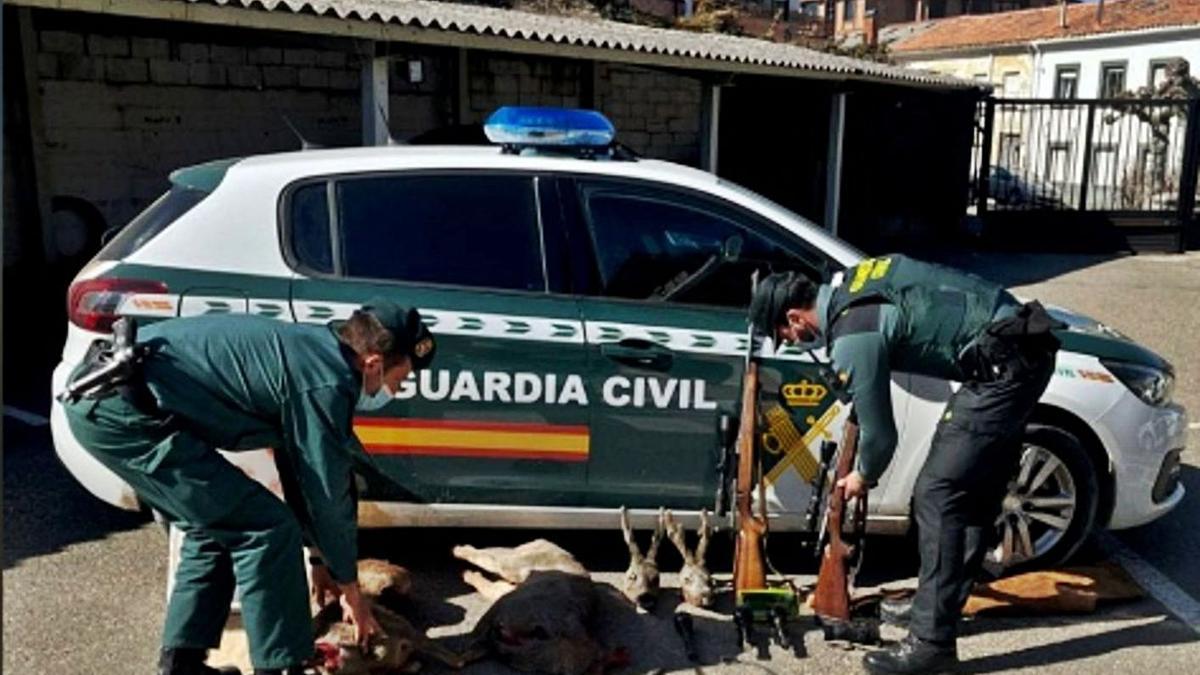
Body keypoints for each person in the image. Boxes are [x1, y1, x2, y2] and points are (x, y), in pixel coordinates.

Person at [62, 299, 436, 675]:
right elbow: (327, 493)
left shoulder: (319, 354)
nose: (394, 389)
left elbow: (299, 467)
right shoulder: (327, 381)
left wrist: (320, 559)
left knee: (213, 525)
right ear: (373, 362)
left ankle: (183, 665)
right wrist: (352, 592)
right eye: (397, 379)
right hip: (122, 413)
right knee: (264, 528)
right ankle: (280, 666)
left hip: (111, 401)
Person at [750, 255, 1062, 674]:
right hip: (1016, 348)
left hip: (1002, 368)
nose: (790, 342)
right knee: (970, 493)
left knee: (939, 493)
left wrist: (863, 475)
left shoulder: (850, 335)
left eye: (784, 334)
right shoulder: (854, 284)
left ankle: (931, 645)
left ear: (794, 316)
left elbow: (881, 437)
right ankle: (937, 609)